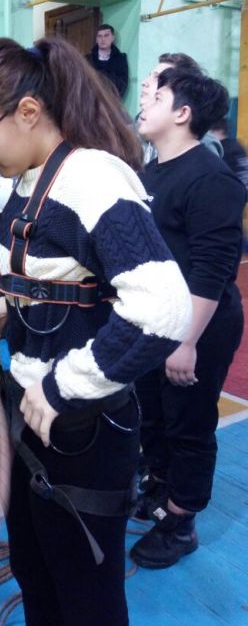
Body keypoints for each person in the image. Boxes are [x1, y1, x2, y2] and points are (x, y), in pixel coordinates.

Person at [0, 37, 192, 626]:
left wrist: (65, 386)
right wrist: (2, 300)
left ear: (28, 113)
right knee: (35, 571)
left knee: (86, 597)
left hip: (83, 427)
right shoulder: (24, 180)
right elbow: (58, 279)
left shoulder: (92, 179)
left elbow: (162, 307)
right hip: (29, 415)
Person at [131, 69, 245, 569]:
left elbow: (214, 269)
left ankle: (181, 521)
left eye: (156, 97)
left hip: (200, 326)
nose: (144, 104)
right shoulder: (151, 173)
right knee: (152, 416)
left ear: (182, 113)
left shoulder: (210, 178)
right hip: (156, 321)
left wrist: (186, 341)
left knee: (188, 423)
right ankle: (160, 488)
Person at [138, 52, 222, 163]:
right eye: (149, 75)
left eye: (157, 77)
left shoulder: (201, 145)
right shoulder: (129, 132)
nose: (144, 82)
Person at [85, 23, 128, 98]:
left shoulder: (120, 59)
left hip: (112, 100)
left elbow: (123, 84)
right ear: (96, 39)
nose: (103, 39)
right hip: (90, 100)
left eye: (106, 35)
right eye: (100, 36)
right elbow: (83, 82)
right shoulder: (87, 59)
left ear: (112, 38)